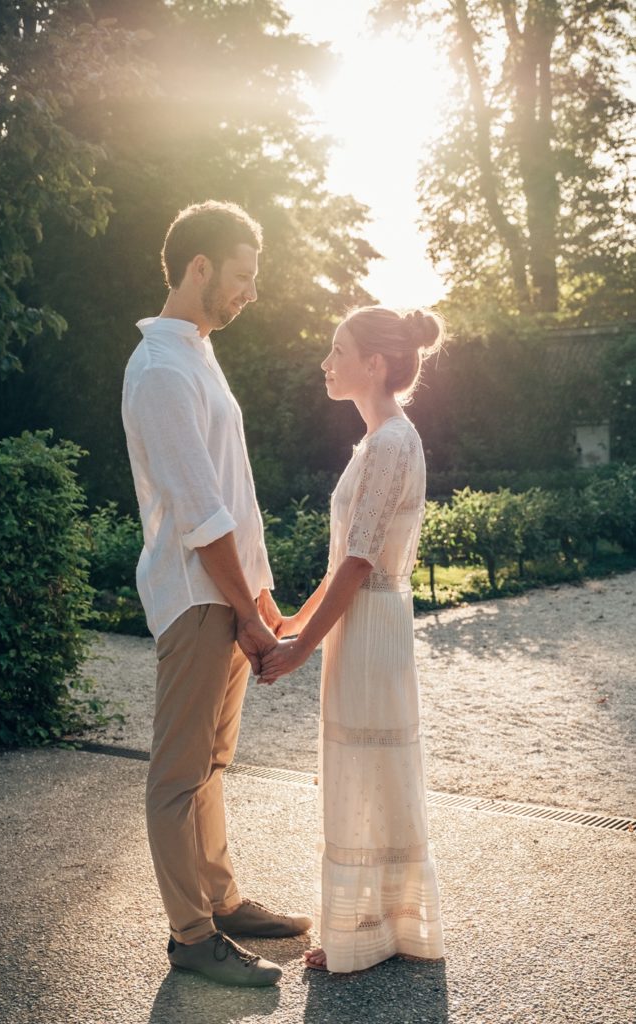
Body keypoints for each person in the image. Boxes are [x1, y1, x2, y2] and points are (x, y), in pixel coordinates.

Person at [121, 200, 311, 988]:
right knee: (176, 774)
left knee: (210, 764)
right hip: (198, 598)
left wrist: (262, 604)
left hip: (229, 594)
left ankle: (224, 902)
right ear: (197, 268)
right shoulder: (160, 369)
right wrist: (242, 612)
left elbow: (234, 496)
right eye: (240, 276)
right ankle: (190, 936)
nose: (250, 293)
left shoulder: (197, 351)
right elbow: (201, 516)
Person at [261, 305, 446, 974]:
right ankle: (375, 925)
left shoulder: (392, 441)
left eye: (337, 350)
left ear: (375, 364)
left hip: (370, 624)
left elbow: (360, 561)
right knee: (367, 769)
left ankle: (368, 931)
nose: (325, 363)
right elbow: (346, 556)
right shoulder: (379, 441)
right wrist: (291, 621)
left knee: (367, 768)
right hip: (367, 618)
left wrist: (299, 646)